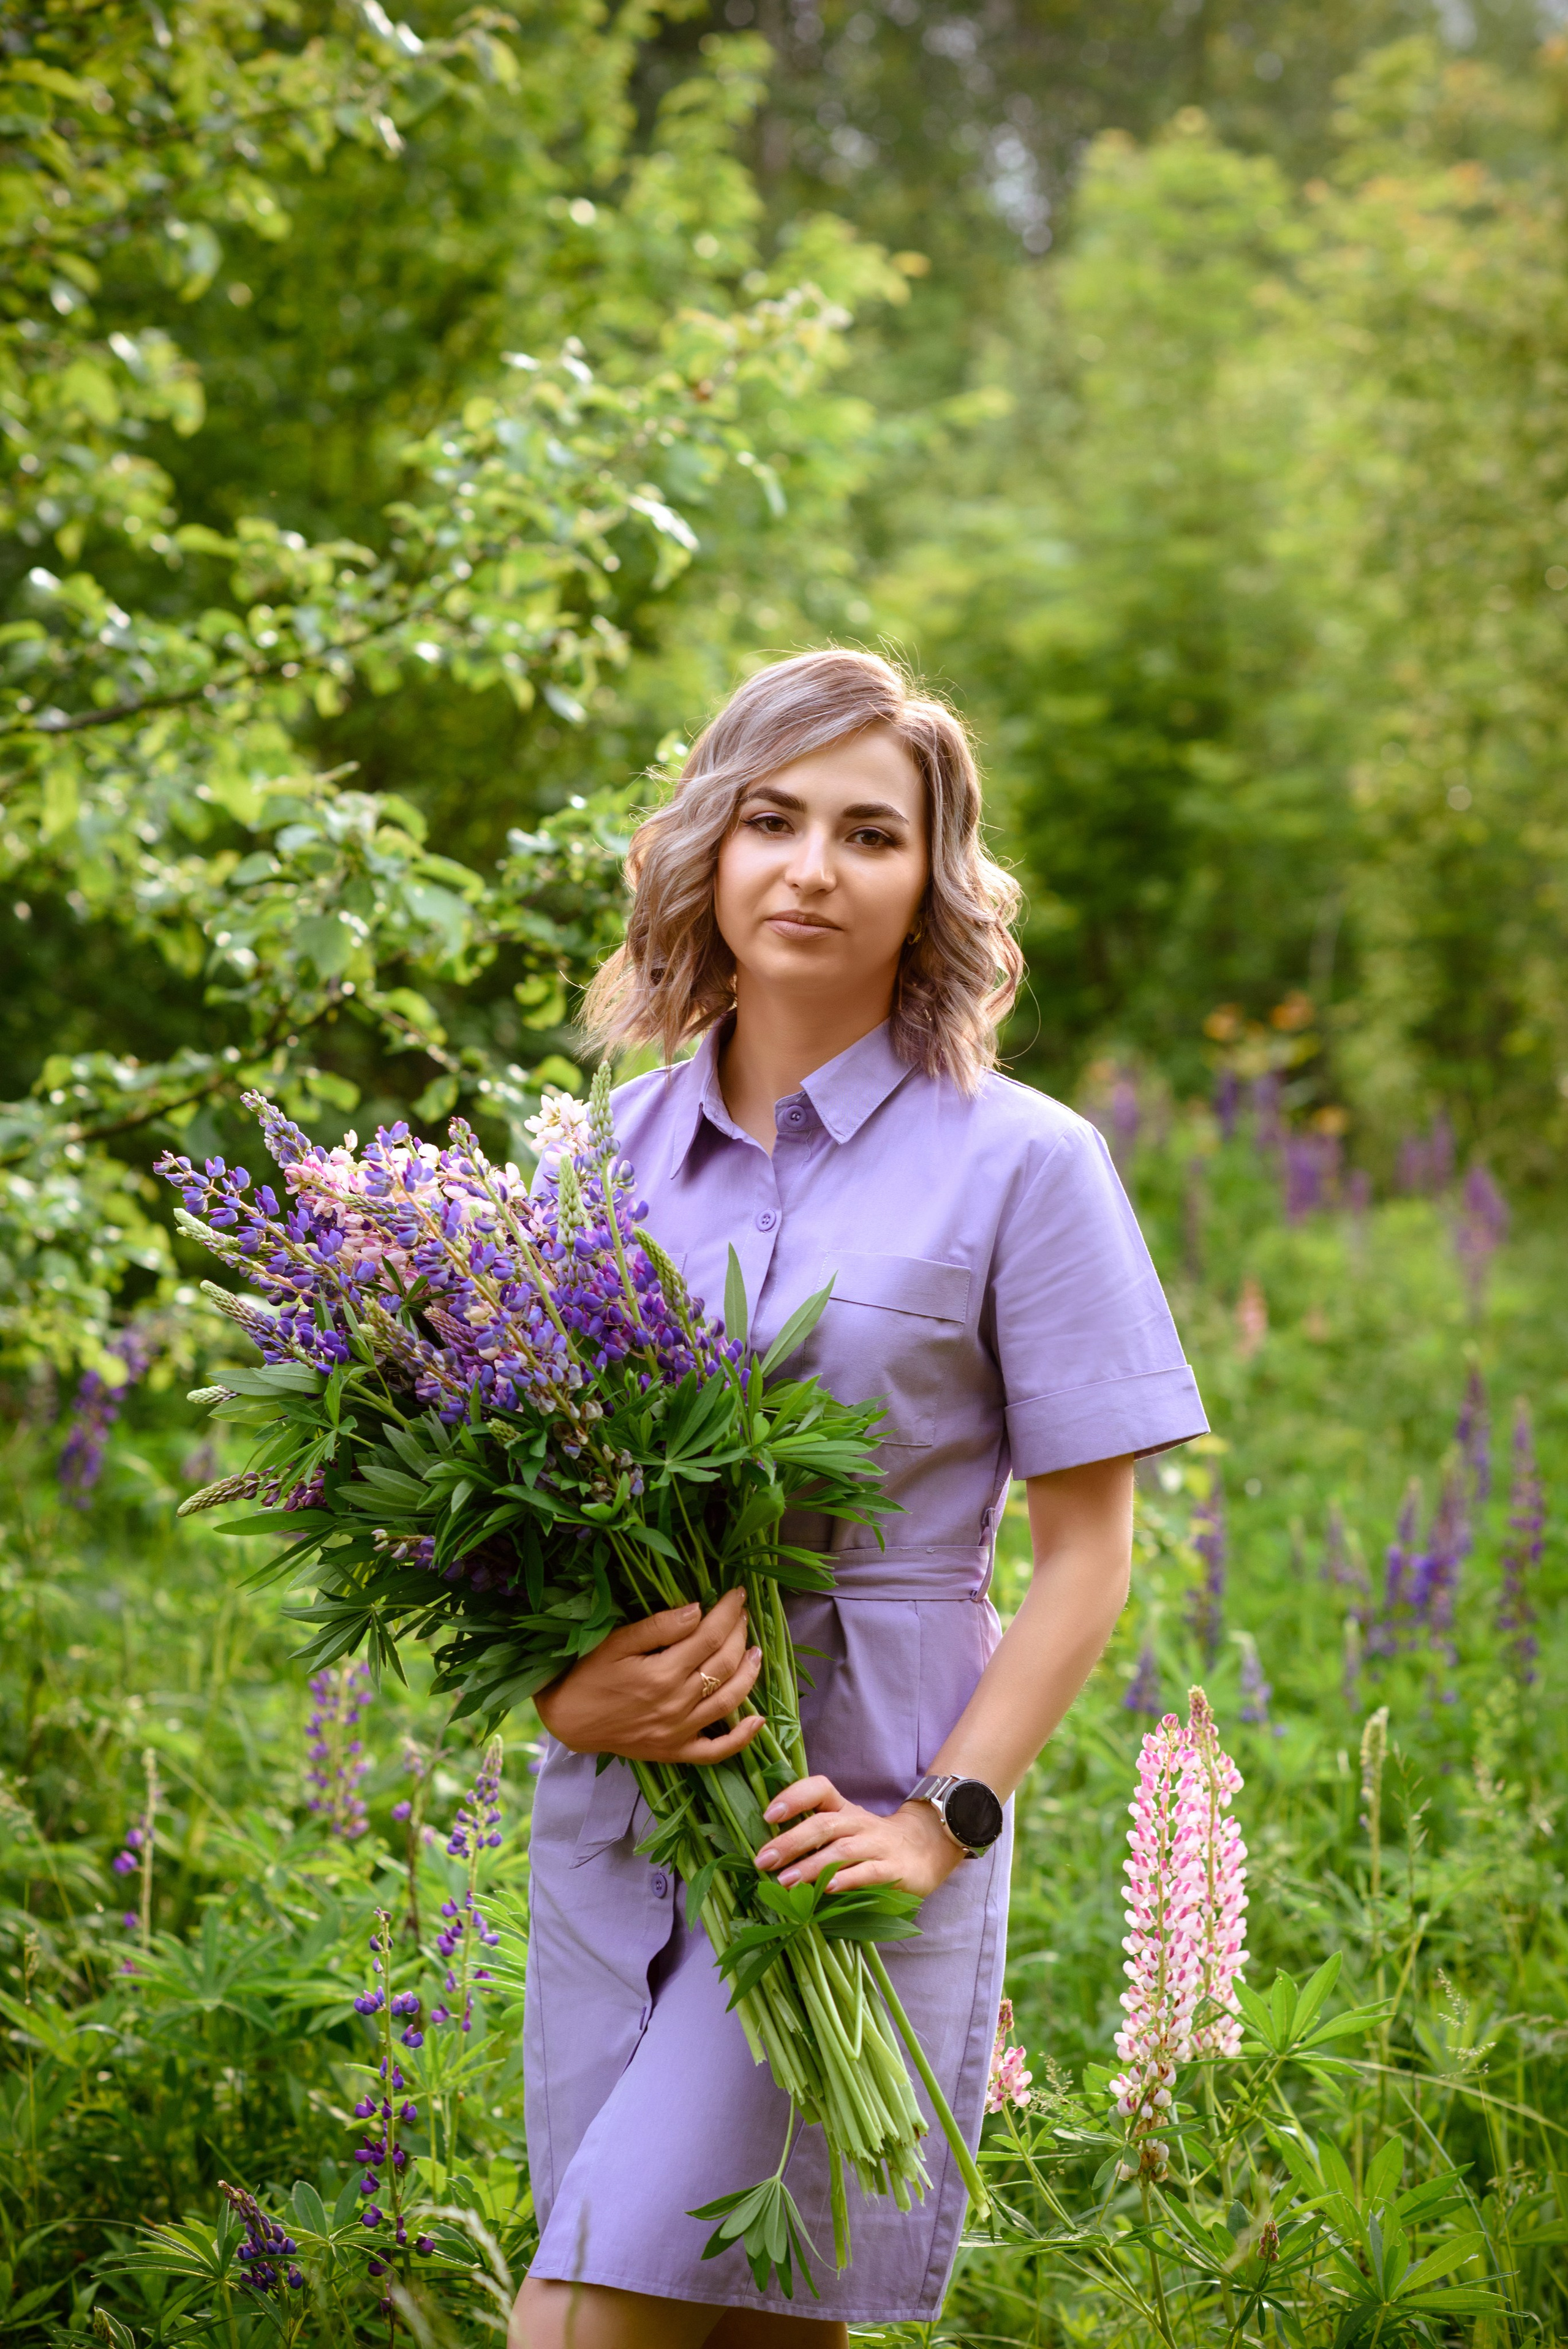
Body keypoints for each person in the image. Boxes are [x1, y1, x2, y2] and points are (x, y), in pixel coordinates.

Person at [510, 649, 1206, 2348]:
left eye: (869, 831)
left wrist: (939, 1820)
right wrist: (560, 1685)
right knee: (748, 2325)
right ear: (710, 850)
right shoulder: (590, 1164)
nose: (813, 866)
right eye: (773, 818)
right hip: (617, 1834)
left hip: (850, 1829)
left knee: (586, 2316)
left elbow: (1088, 1557)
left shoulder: (1023, 1160)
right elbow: (506, 1528)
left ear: (933, 882)